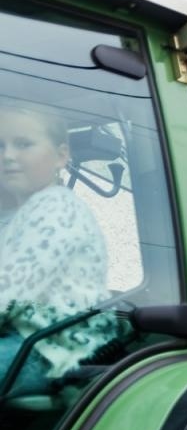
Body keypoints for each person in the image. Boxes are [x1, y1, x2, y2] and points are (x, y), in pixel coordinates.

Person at [0, 100, 112, 396]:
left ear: (61, 155)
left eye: (23, 144)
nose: (8, 155)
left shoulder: (57, 208)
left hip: (51, 349)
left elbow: (7, 294)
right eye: (0, 145)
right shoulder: (14, 216)